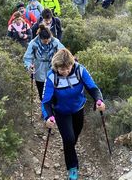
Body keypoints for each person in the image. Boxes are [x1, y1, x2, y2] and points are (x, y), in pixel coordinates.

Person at [42, 48, 105, 180]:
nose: (64, 71)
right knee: (69, 139)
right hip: (61, 112)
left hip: (78, 109)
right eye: (61, 69)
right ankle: (72, 168)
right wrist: (48, 116)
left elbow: (93, 87)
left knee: (74, 136)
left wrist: (99, 100)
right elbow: (46, 101)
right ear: (56, 66)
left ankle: (69, 148)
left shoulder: (80, 70)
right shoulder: (51, 77)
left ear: (72, 64)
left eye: (67, 68)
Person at [23, 25, 64, 100]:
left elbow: (63, 52)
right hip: (39, 69)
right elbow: (27, 58)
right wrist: (29, 66)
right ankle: (45, 108)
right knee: (42, 93)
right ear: (40, 38)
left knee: (54, 91)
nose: (47, 43)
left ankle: (54, 108)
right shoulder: (33, 43)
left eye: (48, 40)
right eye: (45, 41)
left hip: (52, 69)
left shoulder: (55, 41)